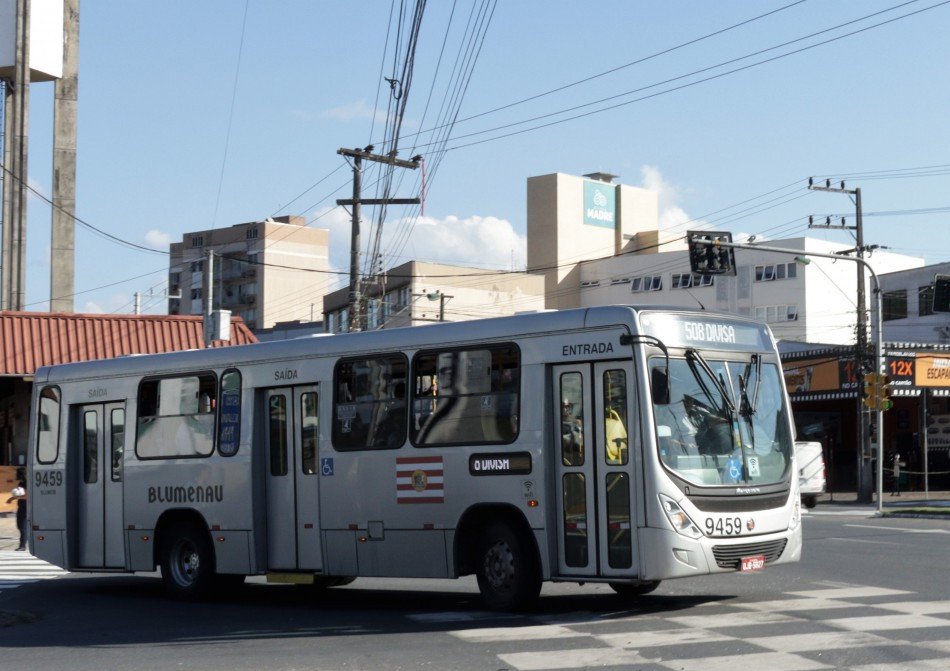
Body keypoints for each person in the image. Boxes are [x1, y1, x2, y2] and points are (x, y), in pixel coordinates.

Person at [6, 470, 27, 551]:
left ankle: (22, 546)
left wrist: (12, 498)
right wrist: (12, 498)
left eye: (17, 473)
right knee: (20, 526)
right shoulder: (21, 483)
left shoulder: (25, 483)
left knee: (22, 527)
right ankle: (23, 544)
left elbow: (27, 496)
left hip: (25, 508)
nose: (15, 475)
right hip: (21, 507)